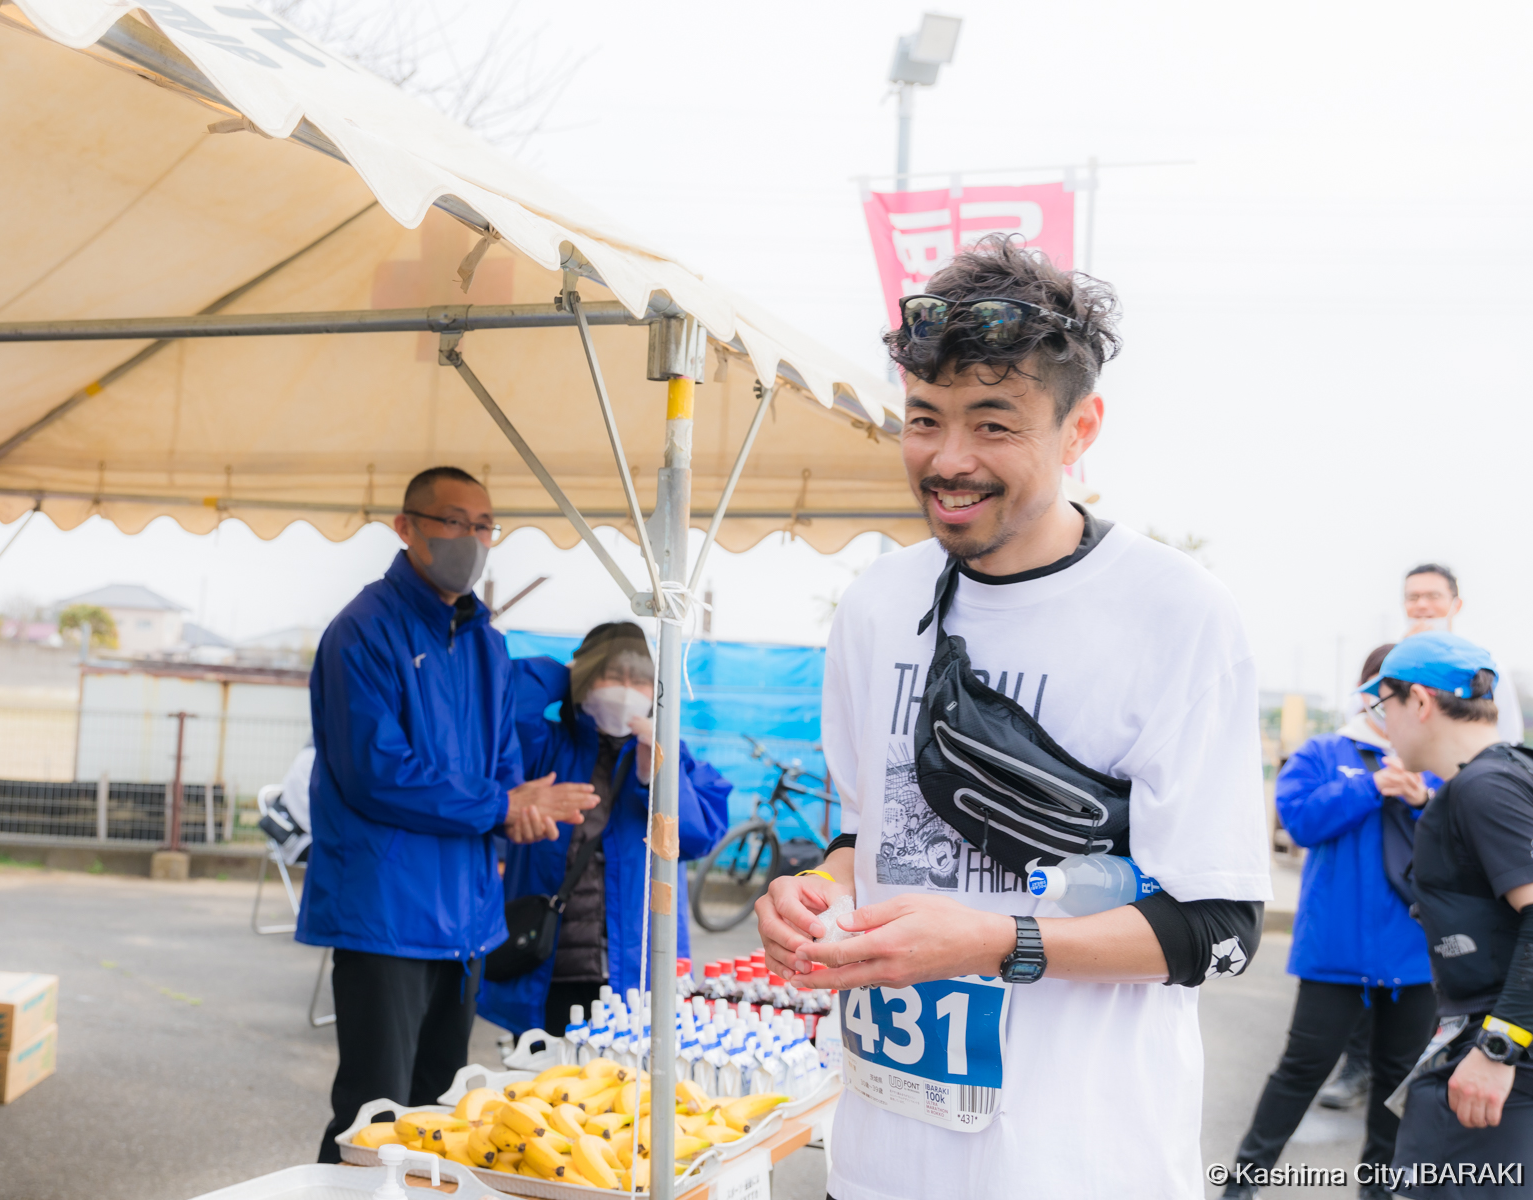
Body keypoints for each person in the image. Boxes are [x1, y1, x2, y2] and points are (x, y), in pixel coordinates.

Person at [755, 236, 1272, 1198]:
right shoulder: (875, 605)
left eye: (995, 424)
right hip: (877, 1162)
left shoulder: (1177, 612)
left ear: (1081, 429)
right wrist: (813, 892)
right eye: (923, 419)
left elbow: (1220, 928)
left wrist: (996, 943)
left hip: (1077, 1165)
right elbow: (864, 834)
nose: (948, 461)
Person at [298, 466, 599, 1162]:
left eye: (484, 525)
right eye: (452, 521)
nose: (471, 537)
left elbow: (501, 766)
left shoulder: (487, 644)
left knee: (441, 1108)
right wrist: (503, 805)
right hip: (387, 913)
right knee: (374, 1111)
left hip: (466, 915)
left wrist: (517, 809)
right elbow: (378, 774)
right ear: (405, 527)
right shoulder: (362, 632)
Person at [1222, 643, 1440, 1199]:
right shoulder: (1323, 751)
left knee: (1399, 1085)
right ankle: (1242, 1183)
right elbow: (1299, 822)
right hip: (1334, 951)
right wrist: (1371, 786)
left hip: (1414, 957)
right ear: (1367, 690)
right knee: (1300, 1070)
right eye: (1380, 687)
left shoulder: (1437, 765)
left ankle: (1379, 1190)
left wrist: (1422, 801)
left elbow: (1465, 849)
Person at [478, 622, 731, 1036]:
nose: (626, 690)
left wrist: (659, 776)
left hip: (637, 974)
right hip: (549, 967)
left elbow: (696, 838)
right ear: (584, 680)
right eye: (612, 676)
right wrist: (566, 672)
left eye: (640, 680)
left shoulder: (674, 757)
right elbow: (505, 700)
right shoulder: (545, 746)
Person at [1367, 634, 1533, 1197]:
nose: (1380, 724)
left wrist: (1500, 1047)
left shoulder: (1484, 787)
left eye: (1380, 706)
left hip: (1497, 1057)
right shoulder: (1501, 776)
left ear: (1417, 701)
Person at [1402, 563, 1523, 746]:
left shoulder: (1485, 666)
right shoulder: (1387, 664)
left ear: (1456, 605)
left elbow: (1509, 736)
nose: (1422, 604)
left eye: (1433, 596)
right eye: (1413, 597)